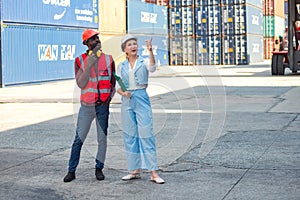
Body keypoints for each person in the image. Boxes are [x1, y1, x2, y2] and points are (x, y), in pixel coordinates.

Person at [63, 29, 116, 182]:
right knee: (78, 139)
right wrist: (89, 64)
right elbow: (81, 83)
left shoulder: (109, 59)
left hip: (102, 107)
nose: (97, 40)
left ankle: (99, 169)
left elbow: (112, 81)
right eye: (93, 39)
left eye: (97, 37)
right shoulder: (79, 60)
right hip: (86, 107)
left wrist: (109, 98)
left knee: (102, 139)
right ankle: (71, 171)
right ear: (86, 43)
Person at [116, 34, 165, 184]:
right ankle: (134, 170)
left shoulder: (143, 62)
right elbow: (117, 85)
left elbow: (152, 68)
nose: (133, 46)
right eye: (129, 44)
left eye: (134, 44)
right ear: (125, 49)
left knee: (146, 134)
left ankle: (153, 172)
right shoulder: (121, 66)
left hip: (141, 97)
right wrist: (123, 93)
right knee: (130, 136)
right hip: (127, 99)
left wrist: (150, 51)